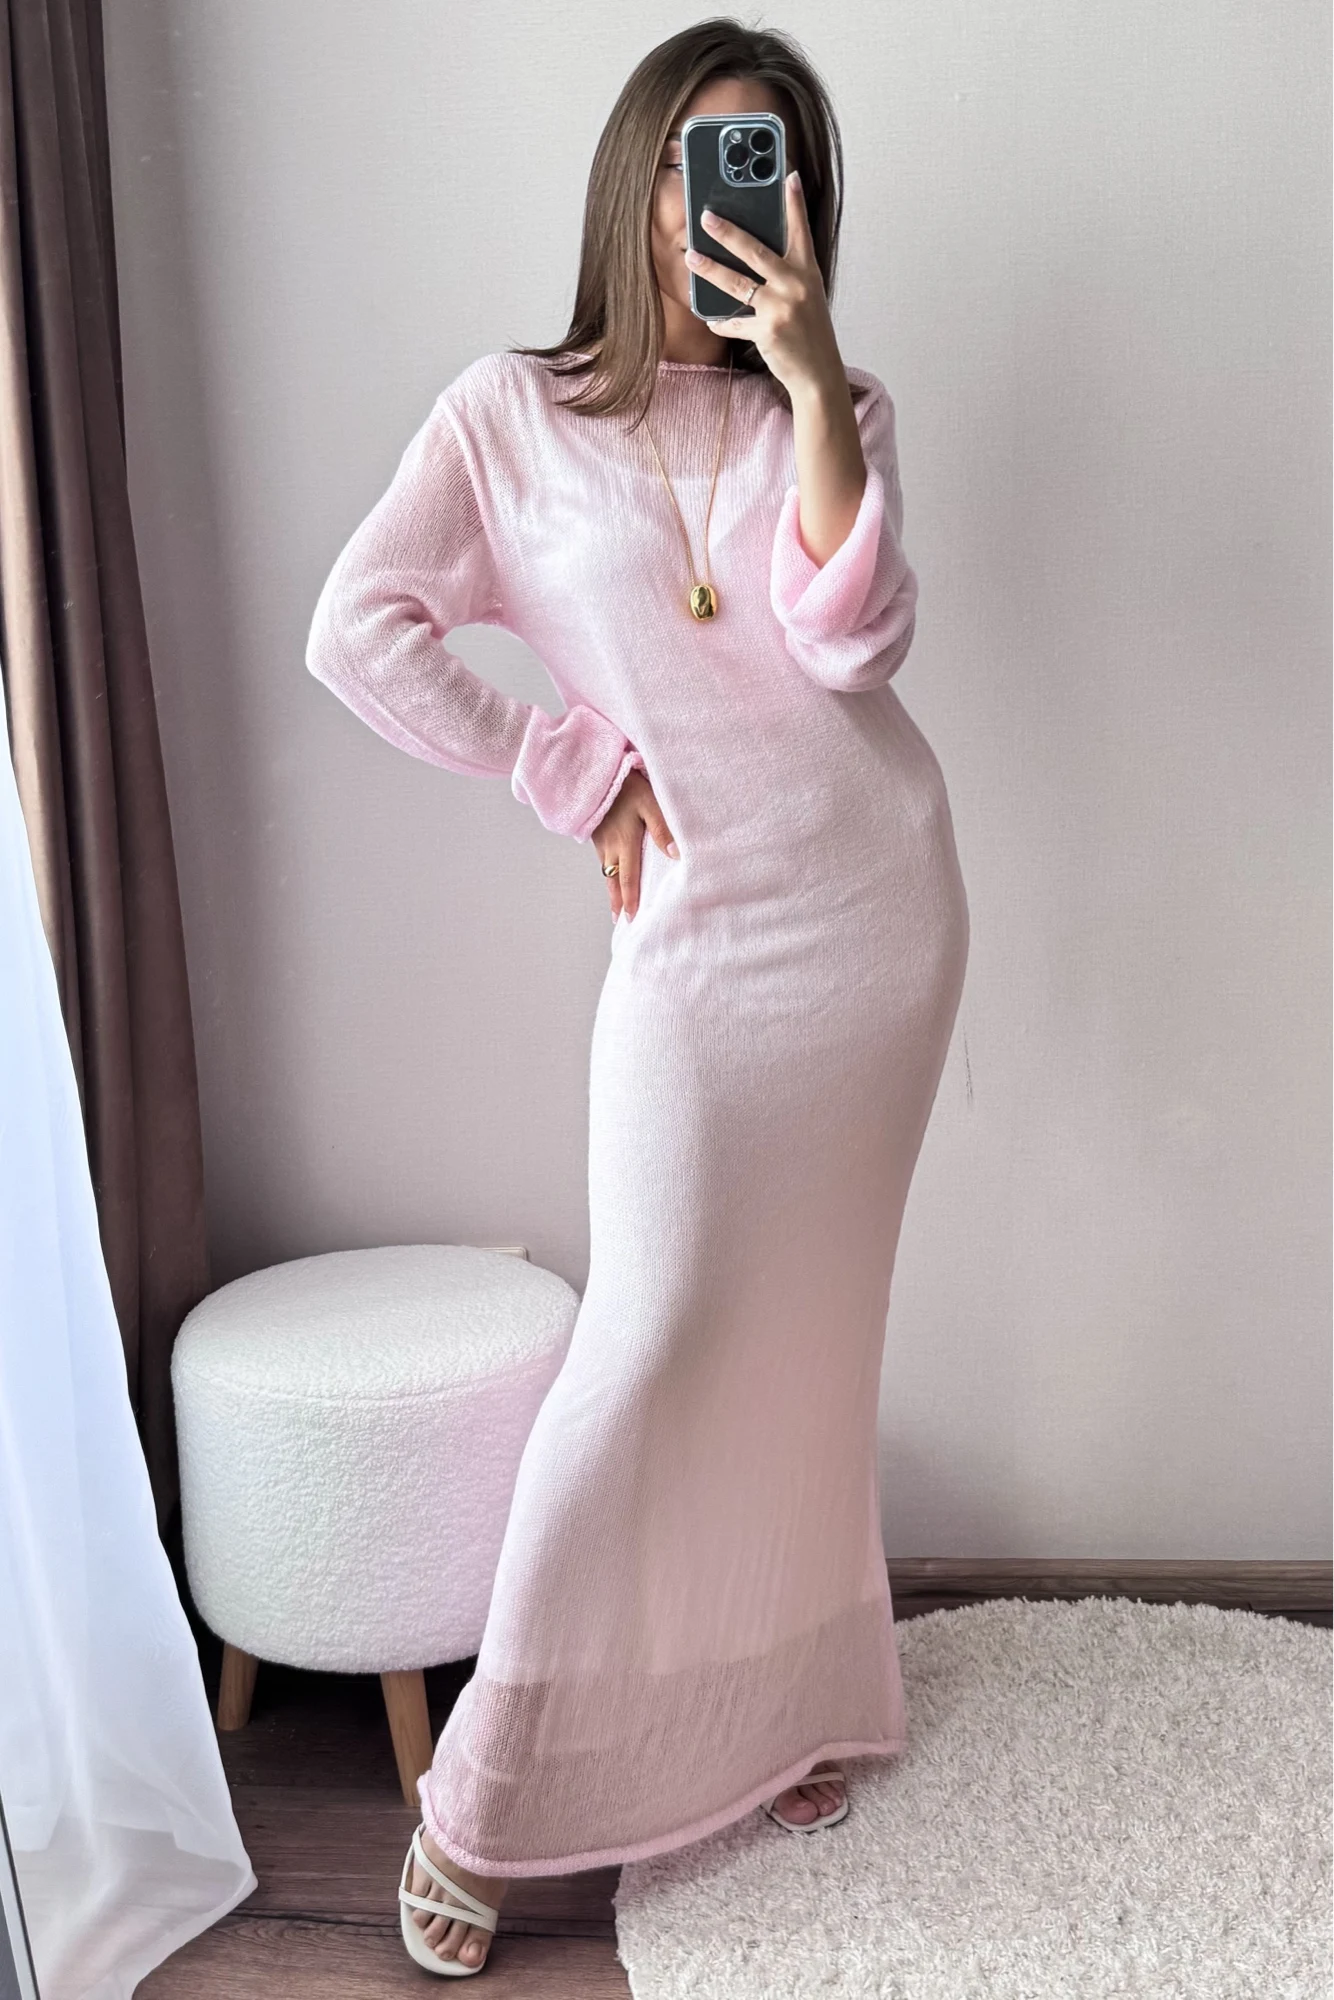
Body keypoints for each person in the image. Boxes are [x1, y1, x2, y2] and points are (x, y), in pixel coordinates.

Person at [305, 17, 969, 1979]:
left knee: (808, 1332)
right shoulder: (506, 417)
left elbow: (855, 644)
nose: (717, 201)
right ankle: (483, 1801)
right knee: (655, 1332)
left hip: (876, 908)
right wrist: (562, 763)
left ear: (803, 205)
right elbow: (357, 625)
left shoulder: (834, 401)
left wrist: (812, 391)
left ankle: (787, 1701)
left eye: (762, 163)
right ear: (634, 181)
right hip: (695, 942)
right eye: (694, 159)